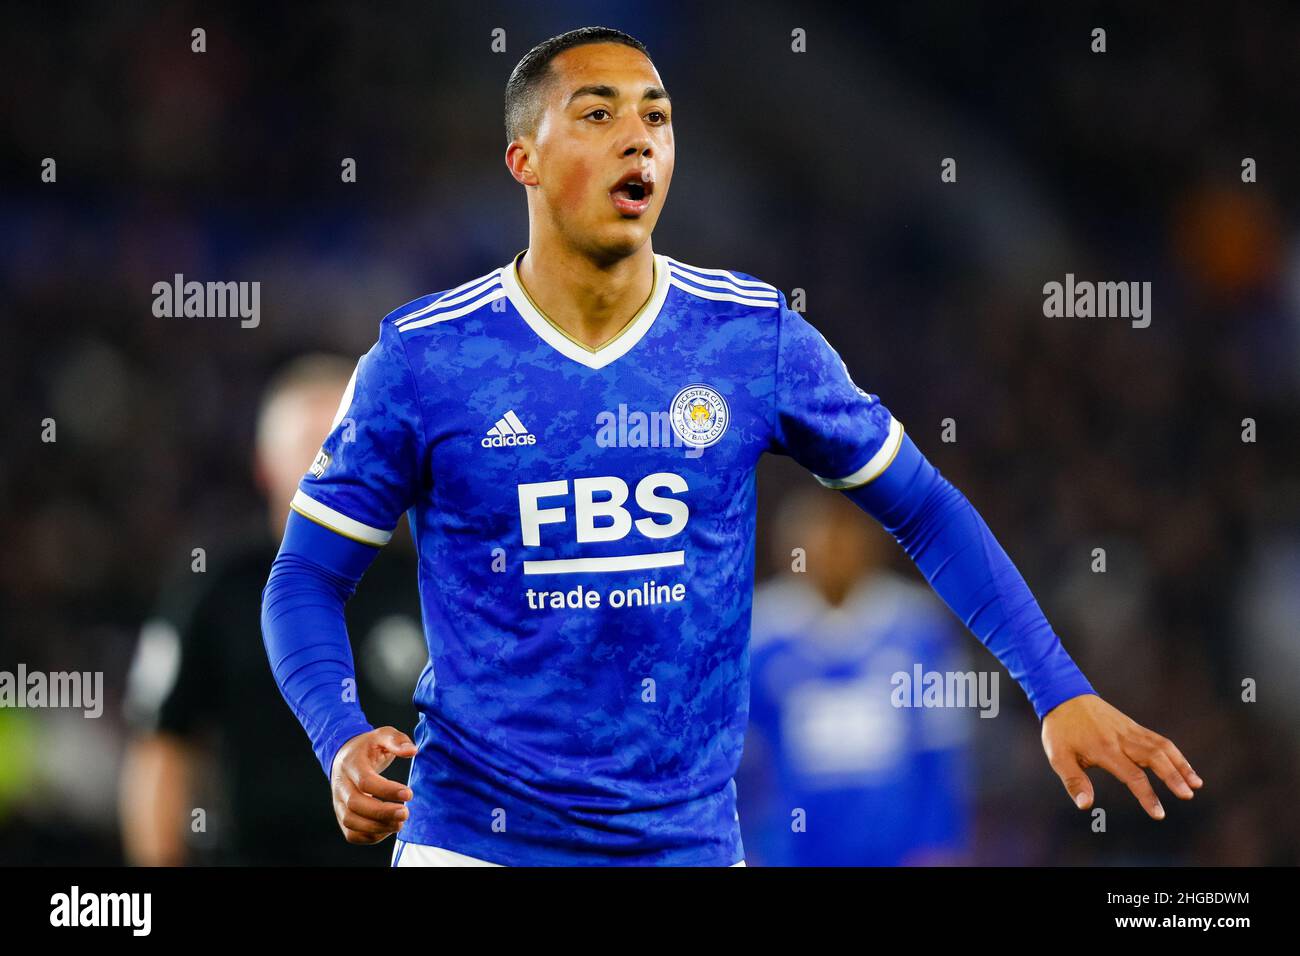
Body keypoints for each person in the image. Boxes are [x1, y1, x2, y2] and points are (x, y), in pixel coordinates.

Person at [261, 27, 1202, 867]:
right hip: (475, 841)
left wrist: (1058, 689)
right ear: (525, 159)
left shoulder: (753, 340)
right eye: (599, 114)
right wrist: (339, 735)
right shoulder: (427, 358)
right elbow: (304, 576)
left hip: (689, 847)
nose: (640, 138)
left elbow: (922, 507)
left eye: (658, 118)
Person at [121, 355, 423, 865]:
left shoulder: (425, 581)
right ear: (264, 466)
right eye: (310, 445)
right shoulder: (217, 586)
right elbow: (162, 746)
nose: (329, 464)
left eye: (342, 444)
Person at [739, 489, 972, 866]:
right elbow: (742, 761)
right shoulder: (759, 636)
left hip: (895, 842)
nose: (832, 549)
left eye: (844, 534)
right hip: (792, 845)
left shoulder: (920, 629)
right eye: (817, 535)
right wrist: (748, 845)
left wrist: (940, 842)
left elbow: (941, 747)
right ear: (788, 546)